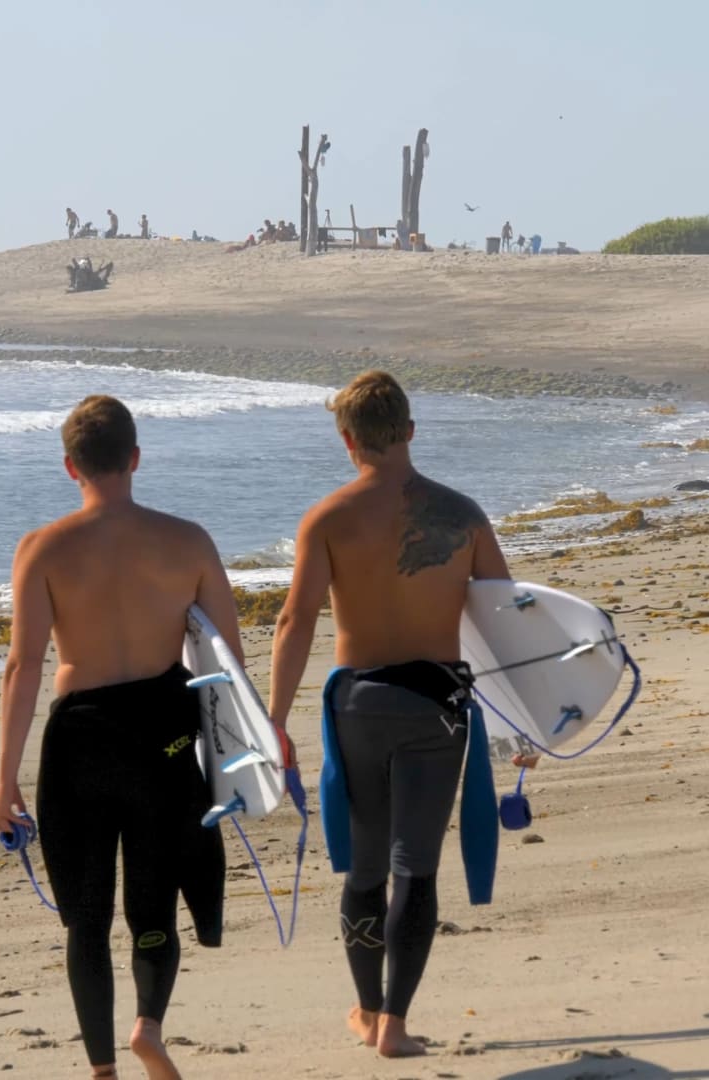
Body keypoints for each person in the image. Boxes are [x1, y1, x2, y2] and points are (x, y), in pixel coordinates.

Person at [0, 396, 238, 1080]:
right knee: (152, 899)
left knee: (87, 916)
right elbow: (226, 665)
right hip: (160, 732)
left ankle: (102, 1071)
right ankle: (148, 1026)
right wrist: (245, 756)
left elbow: (24, 665)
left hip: (82, 739)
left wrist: (6, 779)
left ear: (70, 466)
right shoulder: (187, 540)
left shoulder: (42, 549)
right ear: (135, 457)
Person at [268, 371, 510, 1059]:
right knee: (417, 869)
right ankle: (395, 1027)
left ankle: (368, 1011)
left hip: (360, 704)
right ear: (409, 430)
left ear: (347, 441)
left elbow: (295, 621)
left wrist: (275, 721)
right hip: (437, 704)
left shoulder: (328, 518)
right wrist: (529, 721)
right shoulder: (462, 514)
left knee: (365, 867)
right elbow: (505, 619)